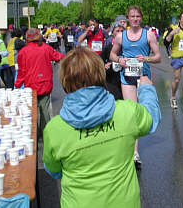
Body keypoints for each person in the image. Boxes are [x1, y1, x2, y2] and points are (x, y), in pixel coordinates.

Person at [42, 47, 161, 208]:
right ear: (100, 74)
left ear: (64, 80)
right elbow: (151, 119)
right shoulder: (127, 112)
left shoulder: (54, 129)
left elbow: (54, 170)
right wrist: (146, 89)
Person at [110, 5, 161, 168]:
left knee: (146, 111)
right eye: (132, 16)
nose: (135, 19)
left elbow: (159, 57)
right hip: (127, 77)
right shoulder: (120, 36)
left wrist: (146, 59)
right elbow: (112, 54)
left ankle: (134, 145)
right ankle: (134, 152)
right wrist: (119, 60)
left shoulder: (149, 35)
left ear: (141, 17)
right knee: (132, 113)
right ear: (127, 19)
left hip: (143, 76)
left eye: (137, 16)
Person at [15, 28, 65, 135]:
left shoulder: (22, 52)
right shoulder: (46, 48)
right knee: (45, 110)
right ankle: (46, 132)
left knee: (33, 111)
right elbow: (58, 57)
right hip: (45, 83)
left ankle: (35, 133)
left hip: (31, 85)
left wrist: (17, 86)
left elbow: (21, 72)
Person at [100, 22, 125, 100]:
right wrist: (104, 65)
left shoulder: (127, 47)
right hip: (111, 80)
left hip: (125, 79)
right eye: (117, 31)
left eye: (122, 31)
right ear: (112, 32)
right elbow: (99, 61)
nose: (120, 33)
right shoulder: (108, 47)